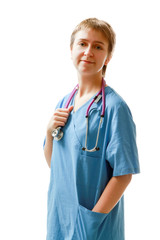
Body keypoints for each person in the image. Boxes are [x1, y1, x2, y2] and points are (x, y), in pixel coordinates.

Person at [43, 18, 140, 240]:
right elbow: (56, 164)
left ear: (108, 57)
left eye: (98, 47)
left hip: (95, 226)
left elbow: (123, 174)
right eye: (83, 44)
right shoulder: (64, 103)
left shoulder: (115, 108)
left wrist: (91, 222)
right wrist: (49, 132)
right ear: (71, 49)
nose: (89, 51)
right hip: (60, 218)